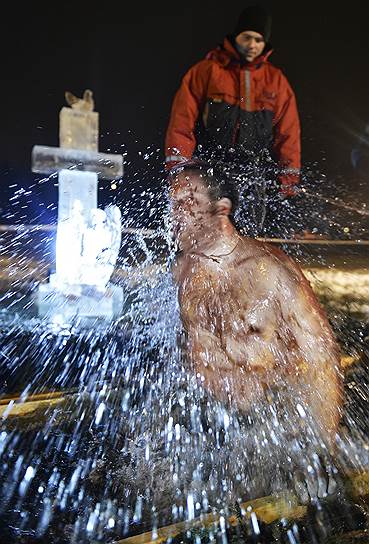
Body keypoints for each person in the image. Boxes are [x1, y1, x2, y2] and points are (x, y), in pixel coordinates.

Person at [169, 161, 343, 451]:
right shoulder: (180, 274)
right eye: (173, 204)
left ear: (221, 208)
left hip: (269, 421)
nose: (177, 213)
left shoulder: (272, 271)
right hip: (206, 422)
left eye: (189, 201)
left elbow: (320, 357)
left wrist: (323, 447)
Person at [165, 4, 301, 224]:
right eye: (247, 37)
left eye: (259, 40)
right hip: (210, 165)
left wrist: (288, 180)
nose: (253, 45)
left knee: (249, 234)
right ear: (236, 37)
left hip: (252, 171)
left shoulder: (276, 81)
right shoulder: (206, 71)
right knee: (208, 230)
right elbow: (182, 122)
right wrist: (178, 169)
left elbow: (288, 134)